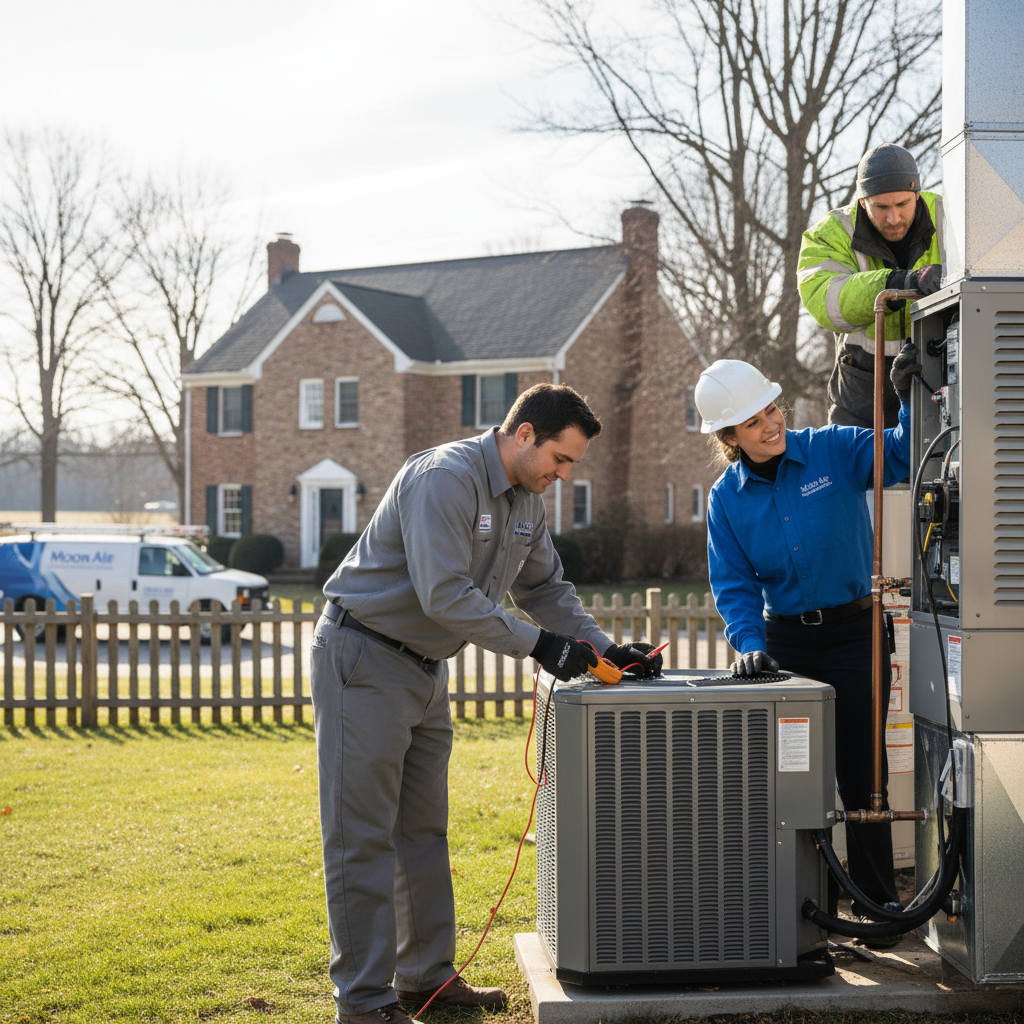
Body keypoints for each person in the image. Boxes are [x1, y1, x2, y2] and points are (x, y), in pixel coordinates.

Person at [311, 382, 663, 1024]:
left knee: (422, 829)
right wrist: (541, 648)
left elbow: (549, 589)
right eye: (561, 459)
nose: (562, 475)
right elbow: (444, 593)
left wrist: (610, 651)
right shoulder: (444, 479)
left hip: (424, 669)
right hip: (362, 658)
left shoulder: (527, 501)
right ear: (524, 433)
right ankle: (364, 1004)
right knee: (361, 836)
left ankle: (424, 979)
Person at [696, 352, 919, 946]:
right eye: (753, 422)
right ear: (729, 437)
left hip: (856, 634)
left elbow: (900, 450)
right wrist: (749, 646)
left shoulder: (832, 450)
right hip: (786, 645)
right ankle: (796, 909)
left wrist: (909, 393)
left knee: (862, 775)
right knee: (790, 779)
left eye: (772, 409)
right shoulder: (726, 500)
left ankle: (877, 909)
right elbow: (735, 585)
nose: (771, 424)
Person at [799, 142, 944, 428]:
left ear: (917, 194)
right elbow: (824, 298)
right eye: (881, 207)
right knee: (857, 471)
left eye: (903, 204)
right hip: (862, 393)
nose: (893, 218)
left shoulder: (950, 218)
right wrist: (897, 283)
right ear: (862, 202)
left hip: (939, 381)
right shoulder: (832, 232)